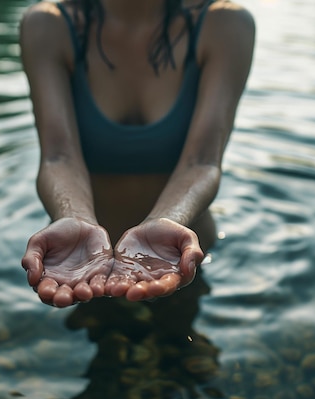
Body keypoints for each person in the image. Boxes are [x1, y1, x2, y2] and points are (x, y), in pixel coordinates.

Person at [20, 0, 255, 307]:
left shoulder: (225, 23)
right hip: (83, 263)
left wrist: (165, 221)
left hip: (177, 256)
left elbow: (203, 160)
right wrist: (74, 217)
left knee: (183, 346)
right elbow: (58, 156)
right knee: (106, 346)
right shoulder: (49, 25)